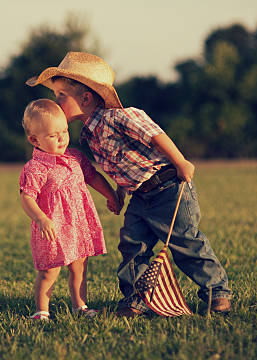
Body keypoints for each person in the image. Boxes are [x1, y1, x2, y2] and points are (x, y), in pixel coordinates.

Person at [26, 52, 232, 317]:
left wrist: (180, 161)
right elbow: (118, 166)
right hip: (140, 197)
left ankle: (217, 293)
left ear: (85, 98)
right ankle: (136, 300)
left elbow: (155, 135)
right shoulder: (88, 137)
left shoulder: (121, 117)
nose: (56, 102)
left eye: (61, 96)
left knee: (185, 243)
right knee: (133, 246)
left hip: (168, 188)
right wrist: (117, 193)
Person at [19, 99, 121, 320]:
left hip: (78, 225)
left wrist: (110, 195)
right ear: (34, 140)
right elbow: (27, 197)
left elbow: (92, 177)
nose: (62, 138)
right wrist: (41, 218)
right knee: (49, 271)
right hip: (53, 228)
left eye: (64, 131)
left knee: (79, 268)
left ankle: (80, 307)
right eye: (53, 135)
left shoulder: (75, 157)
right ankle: (42, 311)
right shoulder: (36, 168)